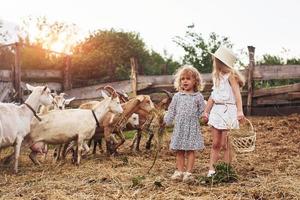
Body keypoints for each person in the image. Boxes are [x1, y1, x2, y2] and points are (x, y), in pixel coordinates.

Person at [202, 46, 245, 177]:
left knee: (225, 144)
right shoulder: (217, 77)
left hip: (229, 111)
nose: (214, 62)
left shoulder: (231, 76)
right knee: (215, 143)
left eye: (215, 60)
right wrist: (206, 111)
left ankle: (226, 170)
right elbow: (213, 96)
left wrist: (239, 111)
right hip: (217, 111)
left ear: (221, 62)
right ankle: (211, 170)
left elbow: (237, 95)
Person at [164, 65, 206, 182]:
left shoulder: (198, 97)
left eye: (188, 78)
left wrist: (204, 117)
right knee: (180, 150)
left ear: (195, 81)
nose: (185, 81)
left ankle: (188, 173)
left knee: (191, 150)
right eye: (182, 79)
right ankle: (179, 171)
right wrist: (165, 121)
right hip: (180, 127)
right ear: (179, 81)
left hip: (192, 127)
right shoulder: (177, 96)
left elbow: (202, 111)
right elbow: (172, 110)